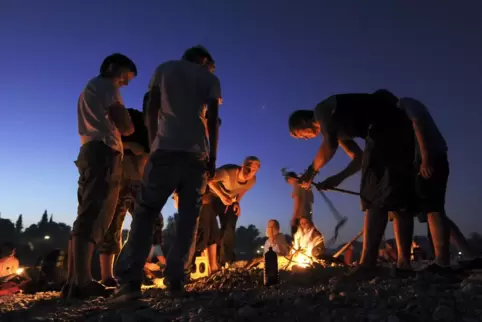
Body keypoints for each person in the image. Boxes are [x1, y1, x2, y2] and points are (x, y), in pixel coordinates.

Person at [112, 45, 221, 301]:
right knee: (188, 218)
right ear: (204, 60)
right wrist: (212, 157)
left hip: (165, 150)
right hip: (196, 156)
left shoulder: (165, 69)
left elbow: (150, 106)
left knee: (146, 212)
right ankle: (175, 280)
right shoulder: (210, 78)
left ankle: (129, 282)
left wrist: (153, 143)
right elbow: (213, 120)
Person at [289, 90, 416, 281]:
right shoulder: (339, 128)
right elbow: (358, 159)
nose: (306, 139)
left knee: (373, 197)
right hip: (400, 131)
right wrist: (337, 178)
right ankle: (404, 265)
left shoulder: (321, 110)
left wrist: (311, 171)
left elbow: (329, 144)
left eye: (301, 136)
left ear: (303, 121)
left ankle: (367, 265)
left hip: (383, 130)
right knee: (398, 198)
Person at [66, 53, 137, 299]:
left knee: (85, 212)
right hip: (103, 152)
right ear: (113, 68)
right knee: (95, 212)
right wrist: (126, 121)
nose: (125, 84)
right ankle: (84, 282)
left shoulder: (90, 89)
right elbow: (127, 126)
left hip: (89, 150)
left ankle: (74, 280)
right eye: (126, 77)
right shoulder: (106, 86)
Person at [98, 107, 164, 287]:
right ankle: (107, 276)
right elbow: (105, 139)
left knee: (153, 222)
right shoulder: (130, 117)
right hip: (119, 179)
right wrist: (129, 145)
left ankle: (135, 267)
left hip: (140, 181)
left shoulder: (159, 129)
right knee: (113, 225)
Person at [207, 157, 260, 265]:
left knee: (229, 226)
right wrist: (221, 195)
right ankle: (209, 257)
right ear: (242, 165)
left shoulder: (252, 180)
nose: (249, 172)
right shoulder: (226, 173)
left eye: (253, 170)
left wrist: (237, 202)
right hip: (214, 196)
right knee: (210, 224)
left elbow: (243, 189)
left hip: (230, 199)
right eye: (248, 168)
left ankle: (225, 260)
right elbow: (209, 180)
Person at [283, 171, 314, 236]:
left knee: (296, 238)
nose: (290, 183)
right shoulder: (305, 186)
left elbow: (297, 202)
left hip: (300, 218)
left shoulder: (296, 184)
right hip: (308, 217)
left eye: (289, 182)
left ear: (290, 178)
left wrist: (294, 218)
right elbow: (311, 200)